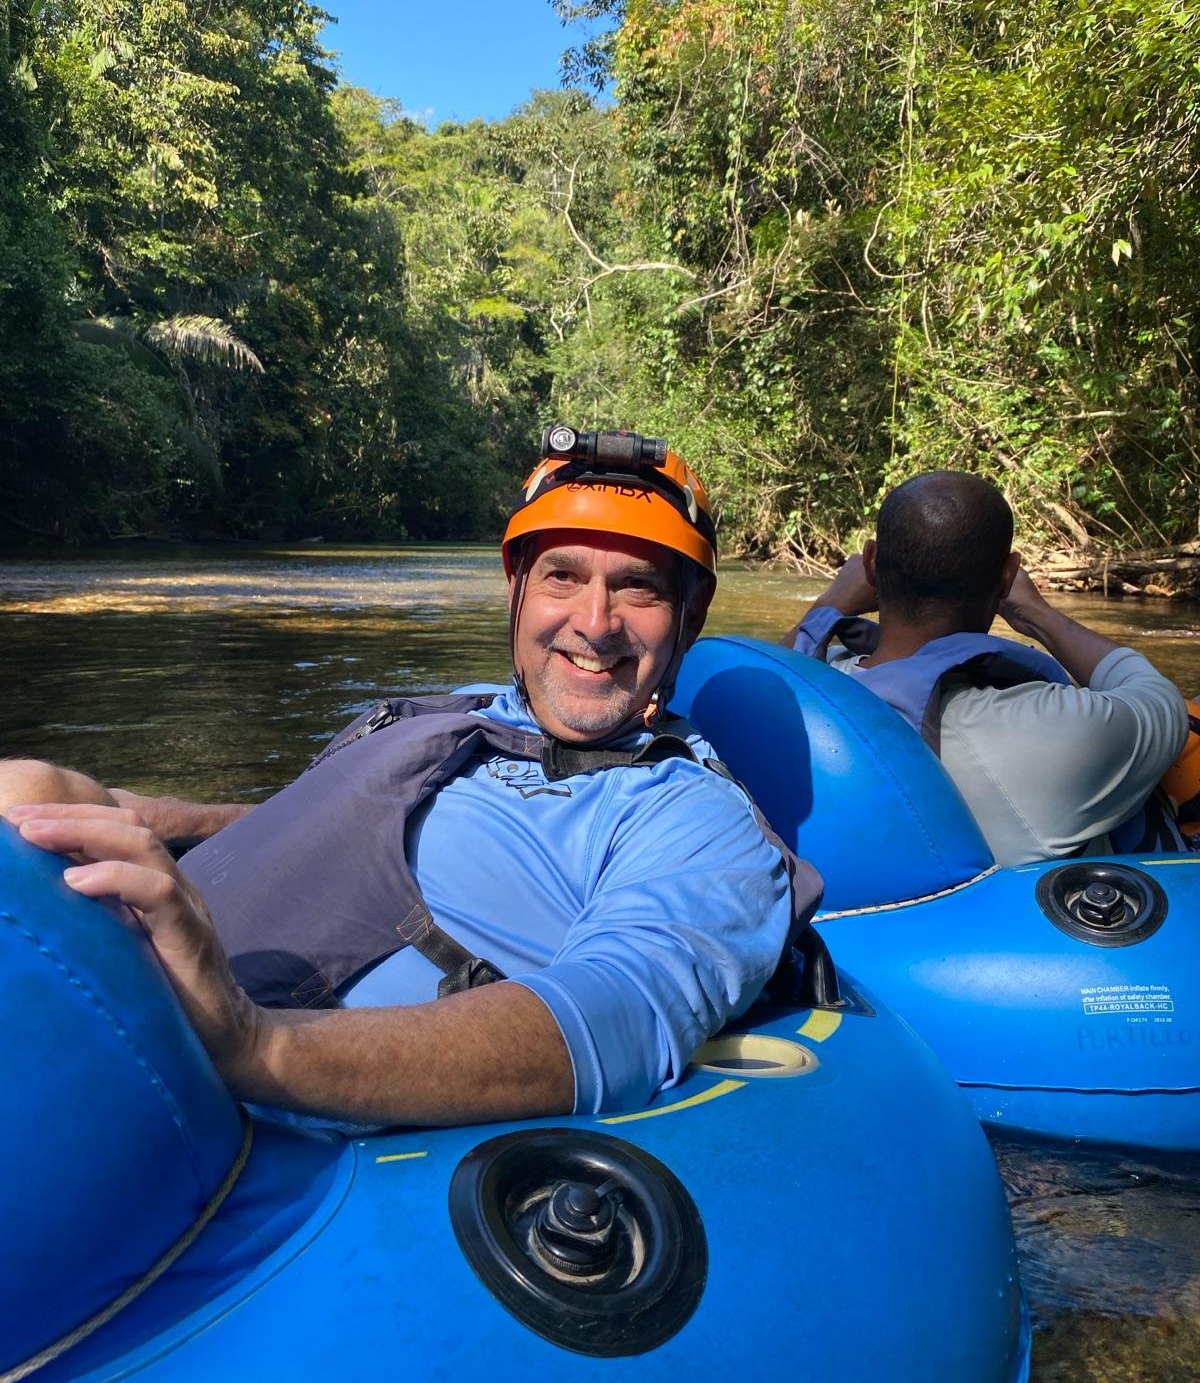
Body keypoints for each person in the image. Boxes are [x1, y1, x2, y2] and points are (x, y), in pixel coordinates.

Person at [4, 428, 817, 1127]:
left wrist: (254, 1041)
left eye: (637, 587)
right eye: (563, 576)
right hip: (107, 986)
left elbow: (617, 1014)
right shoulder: (463, 714)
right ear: (519, 590)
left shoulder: (692, 819)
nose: (594, 623)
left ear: (689, 619)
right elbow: (339, 821)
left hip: (210, 1092)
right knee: (33, 787)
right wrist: (149, 815)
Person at [786, 470, 1189, 867]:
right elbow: (1160, 699)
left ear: (871, 564)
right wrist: (1038, 615)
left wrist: (833, 601)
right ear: (1008, 575)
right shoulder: (1060, 728)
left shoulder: (805, 691)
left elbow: (763, 670)